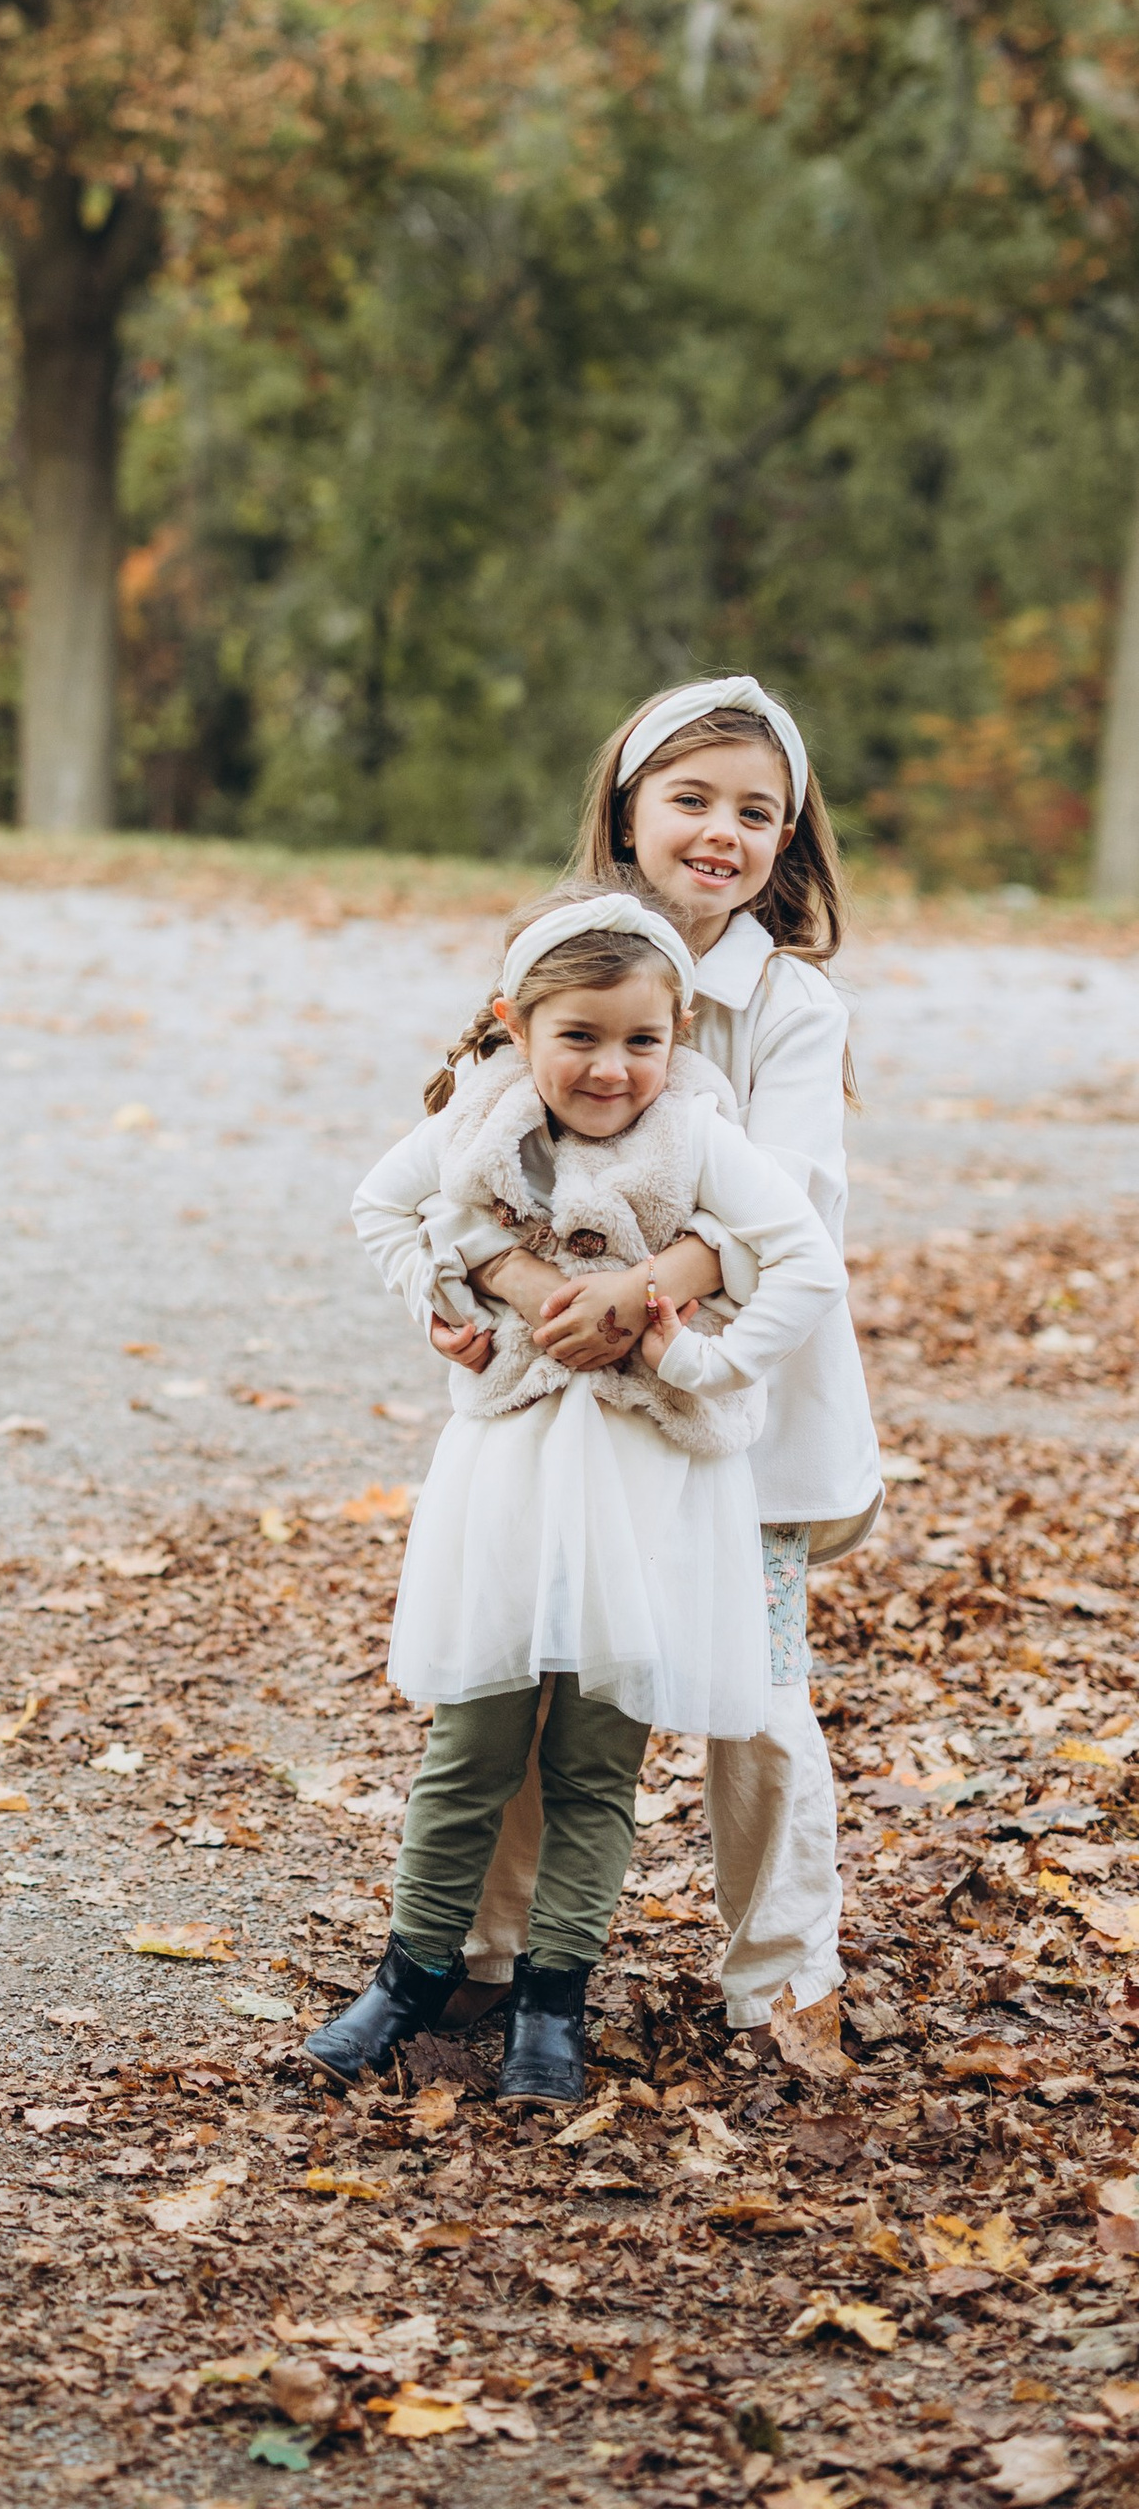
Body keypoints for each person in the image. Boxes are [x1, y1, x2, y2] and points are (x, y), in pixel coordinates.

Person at [322, 886, 842, 2108]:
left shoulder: (699, 1138)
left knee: (598, 1758)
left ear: (678, 1038)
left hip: (644, 1484)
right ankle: (410, 1973)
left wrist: (697, 1360)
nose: (612, 1068)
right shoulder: (477, 1117)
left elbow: (805, 1254)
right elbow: (380, 1206)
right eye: (580, 1038)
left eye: (642, 1041)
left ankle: (555, 1998)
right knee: (473, 1741)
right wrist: (446, 1305)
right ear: (514, 1025)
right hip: (512, 1470)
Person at [447, 679, 879, 2031]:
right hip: (566, 1388)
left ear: (789, 840)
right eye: (690, 799)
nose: (721, 831)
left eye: (758, 811)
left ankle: (779, 1969)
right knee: (535, 1660)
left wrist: (644, 1289)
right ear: (627, 811)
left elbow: (792, 1197)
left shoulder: (788, 1004)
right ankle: (492, 1953)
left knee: (753, 1689)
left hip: (722, 1393)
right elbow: (462, 1172)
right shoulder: (553, 965)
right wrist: (515, 1287)